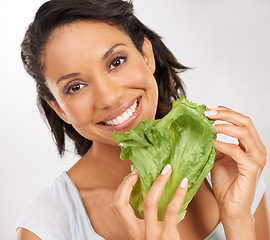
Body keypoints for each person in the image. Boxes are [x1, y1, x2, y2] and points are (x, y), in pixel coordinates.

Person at [16, 0, 269, 239]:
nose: (109, 97)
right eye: (76, 86)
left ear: (146, 56)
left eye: (116, 62)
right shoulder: (46, 229)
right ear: (59, 109)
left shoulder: (229, 170)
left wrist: (238, 221)